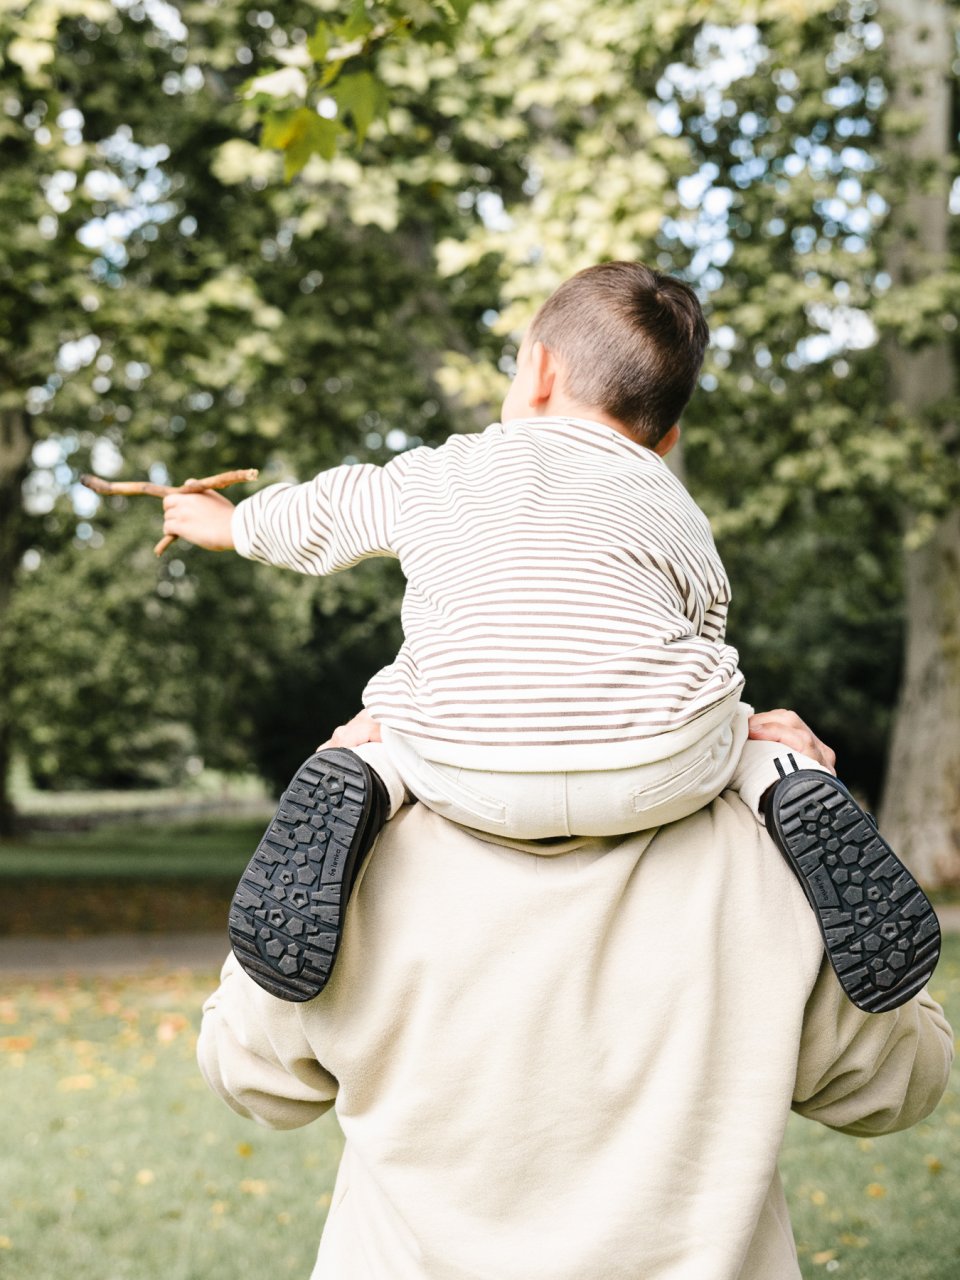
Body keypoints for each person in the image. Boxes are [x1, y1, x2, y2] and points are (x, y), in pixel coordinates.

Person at [163, 262, 939, 1011]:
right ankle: (785, 788)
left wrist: (233, 525)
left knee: (388, 720)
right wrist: (738, 729)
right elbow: (703, 633)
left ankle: (361, 783)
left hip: (462, 768)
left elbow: (333, 508)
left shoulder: (449, 470)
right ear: (665, 438)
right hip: (655, 774)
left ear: (535, 369)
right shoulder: (673, 504)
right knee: (749, 726)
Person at [197, 713, 954, 1280]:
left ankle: (383, 768)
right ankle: (772, 768)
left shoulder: (359, 872)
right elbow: (896, 1089)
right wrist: (778, 782)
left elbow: (252, 1077)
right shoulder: (768, 866)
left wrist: (352, 774)